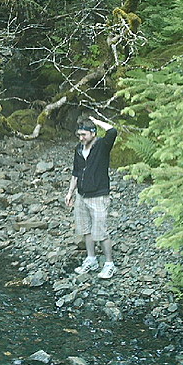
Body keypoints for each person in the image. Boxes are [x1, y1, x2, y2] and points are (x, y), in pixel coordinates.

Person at [65, 115, 118, 279]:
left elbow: (113, 131)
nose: (81, 138)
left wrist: (96, 121)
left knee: (100, 232)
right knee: (85, 229)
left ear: (93, 133)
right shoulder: (78, 149)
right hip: (82, 195)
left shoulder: (102, 145)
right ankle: (91, 259)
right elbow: (76, 172)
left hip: (99, 195)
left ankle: (109, 264)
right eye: (79, 135)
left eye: (84, 135)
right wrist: (70, 192)